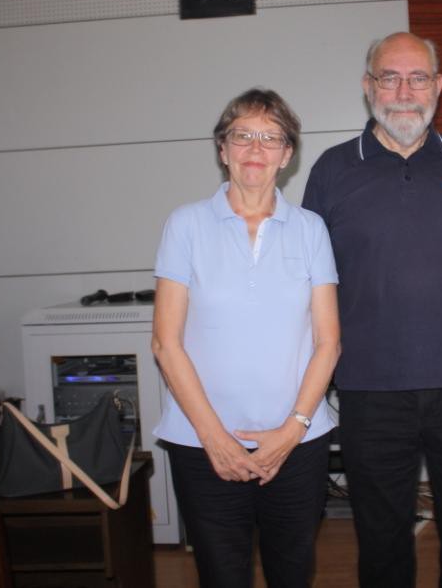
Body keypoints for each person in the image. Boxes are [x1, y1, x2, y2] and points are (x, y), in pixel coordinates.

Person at [303, 32, 442, 587]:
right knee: (381, 545)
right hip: (370, 391)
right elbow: (313, 284)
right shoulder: (331, 170)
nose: (404, 92)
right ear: (367, 86)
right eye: (390, 78)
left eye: (418, 78)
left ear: (438, 86)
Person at [151, 88, 340, 588]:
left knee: (292, 573)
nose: (256, 149)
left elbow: (329, 343)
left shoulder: (311, 230)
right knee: (221, 575)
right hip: (202, 444)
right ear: (222, 149)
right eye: (242, 136)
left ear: (287, 154)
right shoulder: (185, 225)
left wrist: (292, 430)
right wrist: (215, 439)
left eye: (270, 138)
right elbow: (166, 343)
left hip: (297, 444)